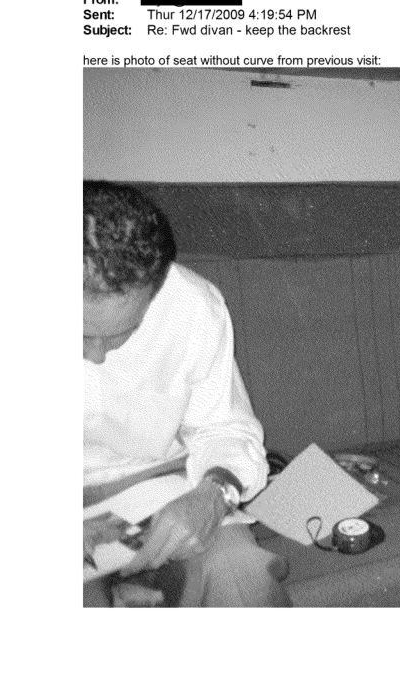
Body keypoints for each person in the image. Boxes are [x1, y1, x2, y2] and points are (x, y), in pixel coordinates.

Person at [83, 181, 289, 607]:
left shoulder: (192, 306)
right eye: (79, 333)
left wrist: (213, 496)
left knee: (242, 574)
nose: (96, 356)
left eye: (122, 333)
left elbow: (224, 427)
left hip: (161, 483)